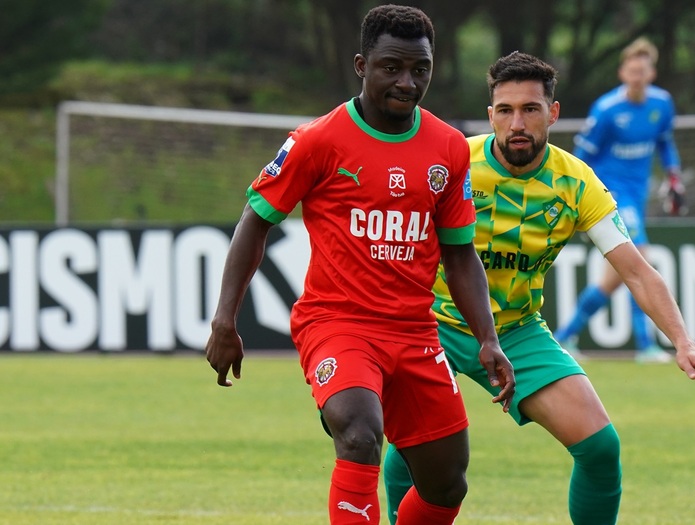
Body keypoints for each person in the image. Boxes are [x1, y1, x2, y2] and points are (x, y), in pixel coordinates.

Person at [204, 5, 516, 525]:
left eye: (421, 69)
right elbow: (254, 221)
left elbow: (460, 252)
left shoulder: (447, 148)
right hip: (337, 324)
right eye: (391, 67)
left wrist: (487, 337)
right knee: (359, 433)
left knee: (446, 482)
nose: (408, 82)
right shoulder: (316, 141)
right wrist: (224, 319)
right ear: (361, 65)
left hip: (416, 330)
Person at [382, 51, 695, 525]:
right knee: (416, 449)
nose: (516, 122)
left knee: (600, 447)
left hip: (517, 330)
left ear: (553, 114)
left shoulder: (577, 181)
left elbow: (637, 270)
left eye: (530, 109)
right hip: (430, 322)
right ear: (491, 116)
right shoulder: (454, 160)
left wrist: (683, 342)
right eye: (505, 110)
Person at [553, 37, 686, 363]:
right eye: (632, 70)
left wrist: (674, 177)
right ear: (622, 72)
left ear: (651, 73)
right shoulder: (607, 110)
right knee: (640, 257)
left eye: (643, 70)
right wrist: (578, 198)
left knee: (614, 278)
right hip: (611, 195)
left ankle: (564, 335)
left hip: (637, 195)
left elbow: (666, 143)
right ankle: (646, 346)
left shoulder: (661, 104)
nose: (637, 76)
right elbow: (582, 156)